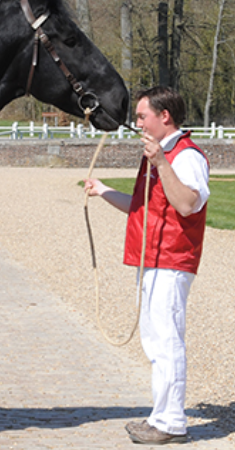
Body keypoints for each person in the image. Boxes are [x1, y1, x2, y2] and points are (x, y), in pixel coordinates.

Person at [84, 86, 210, 445]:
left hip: (171, 259)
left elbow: (188, 203)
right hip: (152, 257)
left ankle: (171, 423)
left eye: (142, 116)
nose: (137, 122)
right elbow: (142, 207)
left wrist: (160, 164)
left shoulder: (186, 157)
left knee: (166, 341)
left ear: (164, 117)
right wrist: (103, 190)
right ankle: (162, 418)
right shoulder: (161, 156)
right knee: (155, 340)